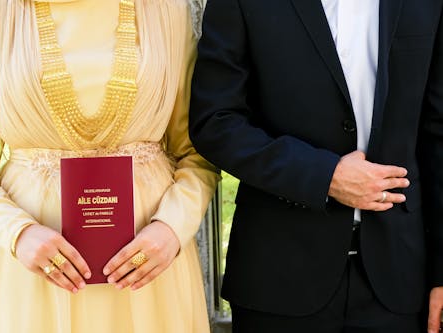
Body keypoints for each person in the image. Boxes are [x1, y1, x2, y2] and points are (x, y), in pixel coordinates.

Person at [0, 0, 219, 332]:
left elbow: (197, 152)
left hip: (148, 271)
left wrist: (172, 227)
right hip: (34, 276)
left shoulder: (167, 10)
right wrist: (17, 233)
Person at [189, 0, 443, 332]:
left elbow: (437, 133)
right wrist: (324, 176)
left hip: (400, 281)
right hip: (278, 279)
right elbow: (215, 121)